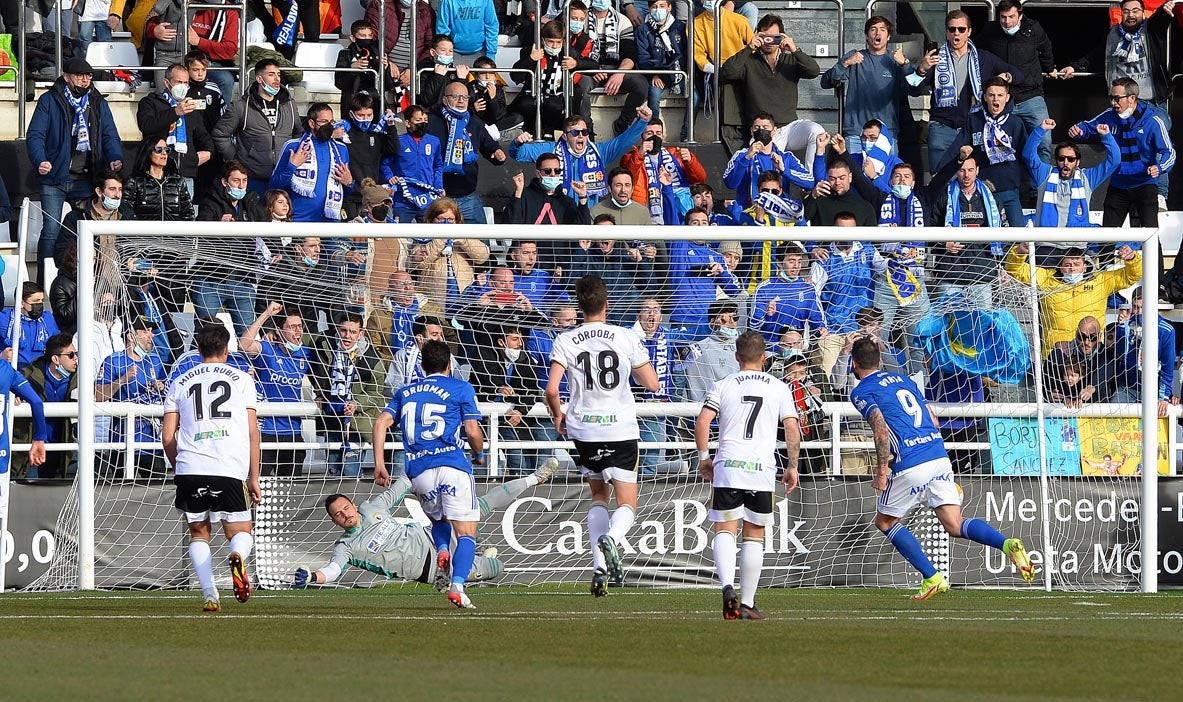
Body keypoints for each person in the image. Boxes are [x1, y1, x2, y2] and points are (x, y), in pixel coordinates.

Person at [848, 336, 1034, 600]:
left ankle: (932, 577)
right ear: (879, 360)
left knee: (885, 521)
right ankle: (1007, 544)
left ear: (854, 363)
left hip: (913, 461)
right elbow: (931, 418)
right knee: (954, 524)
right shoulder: (905, 380)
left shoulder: (861, 392)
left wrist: (881, 471)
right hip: (937, 452)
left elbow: (880, 429)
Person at [545, 275, 659, 596]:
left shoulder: (566, 340)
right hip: (620, 427)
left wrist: (558, 414)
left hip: (584, 428)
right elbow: (652, 384)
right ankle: (613, 539)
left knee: (598, 496)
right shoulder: (624, 337)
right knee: (627, 503)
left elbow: (552, 389)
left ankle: (598, 568)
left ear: (579, 306)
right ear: (607, 304)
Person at [292, 461, 559, 591]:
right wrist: (313, 577)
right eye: (338, 515)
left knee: (478, 506)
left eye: (346, 508)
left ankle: (534, 478)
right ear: (334, 521)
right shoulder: (346, 546)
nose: (345, 515)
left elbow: (403, 483)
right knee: (496, 568)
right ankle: (479, 559)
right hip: (431, 571)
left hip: (435, 537)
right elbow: (333, 570)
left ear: (352, 503)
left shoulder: (373, 508)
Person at [372, 340, 485, 608]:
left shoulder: (405, 392)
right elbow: (471, 430)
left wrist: (380, 464)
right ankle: (457, 586)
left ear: (422, 366)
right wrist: (479, 454)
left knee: (439, 522)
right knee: (467, 533)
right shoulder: (461, 387)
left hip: (419, 472)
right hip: (452, 466)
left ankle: (443, 550)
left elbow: (380, 423)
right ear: (449, 365)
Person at [695, 331, 799, 619]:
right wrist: (792, 465)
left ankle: (728, 586)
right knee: (754, 534)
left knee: (725, 529)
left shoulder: (724, 384)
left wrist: (705, 458)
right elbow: (791, 427)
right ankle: (748, 603)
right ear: (764, 357)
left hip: (728, 465)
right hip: (760, 468)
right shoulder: (779, 387)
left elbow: (703, 421)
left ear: (736, 356)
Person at [163, 324, 261, 613]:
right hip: (228, 467)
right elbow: (252, 431)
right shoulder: (242, 380)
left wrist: (179, 467)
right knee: (240, 530)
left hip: (190, 466)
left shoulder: (179, 381)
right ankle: (237, 556)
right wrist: (253, 477)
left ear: (198, 349)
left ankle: (209, 594)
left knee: (198, 532)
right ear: (227, 349)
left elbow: (168, 436)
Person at [1066, 0, 1177, 208]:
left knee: (1161, 134)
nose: (1131, 15)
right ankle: (1125, 190)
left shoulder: (1151, 29)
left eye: (1135, 11)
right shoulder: (1112, 34)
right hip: (1122, 100)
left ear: (1143, 13)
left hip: (1149, 100)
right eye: (1126, 11)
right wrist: (1075, 67)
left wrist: (1165, 10)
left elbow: (1161, 21)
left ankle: (1159, 194)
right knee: (1118, 139)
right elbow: (1097, 55)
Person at [26, 57, 123, 284]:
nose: (85, 79)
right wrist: (40, 160)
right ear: (66, 75)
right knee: (51, 230)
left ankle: (90, 281)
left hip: (87, 179)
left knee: (91, 228)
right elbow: (35, 135)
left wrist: (116, 157)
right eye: (80, 75)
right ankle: (45, 283)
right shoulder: (49, 100)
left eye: (88, 75)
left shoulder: (98, 102)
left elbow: (110, 134)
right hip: (54, 178)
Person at [908, 10, 1022, 173]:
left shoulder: (983, 58)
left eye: (961, 29)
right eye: (952, 29)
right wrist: (922, 69)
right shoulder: (936, 58)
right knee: (939, 182)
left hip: (972, 127)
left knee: (972, 180)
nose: (956, 33)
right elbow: (914, 90)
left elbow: (1018, 74)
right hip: (941, 128)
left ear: (969, 31)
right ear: (946, 31)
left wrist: (1007, 76)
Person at [719, 13, 825, 167]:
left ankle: (811, 181)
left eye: (774, 37)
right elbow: (727, 72)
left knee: (817, 132)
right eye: (764, 36)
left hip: (789, 126)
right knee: (767, 168)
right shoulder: (749, 61)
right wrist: (749, 48)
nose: (769, 41)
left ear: (781, 37)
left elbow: (814, 71)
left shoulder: (790, 60)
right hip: (764, 130)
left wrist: (795, 49)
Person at [1069, 77, 1174, 231]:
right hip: (1118, 185)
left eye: (1117, 98)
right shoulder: (1109, 115)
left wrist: (1159, 167)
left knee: (1149, 238)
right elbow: (1088, 126)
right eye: (1111, 98)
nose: (1113, 103)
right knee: (1107, 238)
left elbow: (1169, 152)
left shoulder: (1153, 121)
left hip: (1144, 185)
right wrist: (1078, 130)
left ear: (1132, 98)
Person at [1004, 244, 1141, 355]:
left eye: (1076, 264)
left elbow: (1131, 276)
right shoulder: (1047, 279)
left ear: (1084, 267)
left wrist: (1132, 258)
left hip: (1089, 350)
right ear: (1061, 268)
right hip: (1055, 352)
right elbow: (1016, 271)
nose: (1072, 269)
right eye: (1068, 265)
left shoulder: (1101, 281)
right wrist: (1019, 253)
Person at [509, 107, 651, 209]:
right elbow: (519, 154)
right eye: (576, 132)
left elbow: (623, 141)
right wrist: (517, 143)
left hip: (588, 216)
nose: (581, 136)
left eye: (584, 131)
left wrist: (642, 122)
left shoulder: (598, 151)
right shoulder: (551, 150)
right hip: (560, 212)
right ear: (565, 136)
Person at [976, 0, 1057, 162]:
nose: (1007, 21)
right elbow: (976, 52)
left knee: (1045, 142)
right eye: (1003, 17)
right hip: (1003, 98)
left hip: (1031, 95)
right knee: (998, 144)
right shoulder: (990, 30)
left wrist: (1049, 69)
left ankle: (1044, 184)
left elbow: (1046, 48)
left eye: (1011, 16)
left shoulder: (1034, 28)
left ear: (1020, 15)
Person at [945, 76, 1029, 227]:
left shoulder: (1016, 123)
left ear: (1007, 97)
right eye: (991, 95)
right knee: (985, 240)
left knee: (1019, 238)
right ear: (985, 97)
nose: (995, 100)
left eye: (1000, 95)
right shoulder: (973, 120)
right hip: (981, 191)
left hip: (1009, 190)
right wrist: (940, 169)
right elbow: (955, 148)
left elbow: (1027, 156)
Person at [193, 160, 265, 335]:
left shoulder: (252, 201)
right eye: (236, 181)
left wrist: (277, 250)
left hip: (243, 280)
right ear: (225, 182)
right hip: (212, 280)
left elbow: (267, 227)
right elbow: (201, 226)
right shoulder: (210, 200)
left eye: (244, 181)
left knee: (248, 339)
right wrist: (218, 224)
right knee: (205, 336)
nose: (241, 185)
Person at [820, 15, 912, 152]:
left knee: (885, 173)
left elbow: (914, 87)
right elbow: (825, 82)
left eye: (882, 30)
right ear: (867, 36)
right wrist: (845, 63)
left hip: (886, 133)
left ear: (888, 37)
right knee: (856, 173)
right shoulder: (855, 56)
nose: (878, 33)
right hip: (857, 133)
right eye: (873, 29)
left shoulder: (895, 60)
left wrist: (904, 64)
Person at [212, 59, 304, 196]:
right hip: (254, 177)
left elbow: (298, 133)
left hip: (284, 175)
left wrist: (290, 156)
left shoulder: (289, 104)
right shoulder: (241, 106)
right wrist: (238, 160)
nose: (277, 79)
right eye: (271, 74)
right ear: (259, 78)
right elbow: (220, 134)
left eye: (278, 74)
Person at [239, 304, 310, 477]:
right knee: (260, 487)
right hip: (266, 432)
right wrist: (267, 314)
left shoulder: (307, 353)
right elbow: (243, 345)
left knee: (290, 492)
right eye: (292, 327)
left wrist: (322, 394)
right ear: (279, 331)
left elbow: (322, 374)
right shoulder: (268, 349)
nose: (297, 331)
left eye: (300, 326)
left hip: (293, 432)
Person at [308, 312, 382, 477]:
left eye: (353, 332)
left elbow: (376, 393)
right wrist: (319, 391)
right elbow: (306, 361)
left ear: (361, 333)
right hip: (331, 418)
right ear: (337, 329)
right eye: (343, 330)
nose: (347, 336)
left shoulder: (372, 359)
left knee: (350, 473)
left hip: (356, 424)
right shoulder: (322, 342)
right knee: (333, 472)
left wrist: (357, 403)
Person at [425, 81, 509, 224]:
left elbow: (489, 146)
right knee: (436, 244)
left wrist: (497, 152)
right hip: (438, 195)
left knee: (482, 244)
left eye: (465, 97)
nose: (461, 101)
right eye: (456, 96)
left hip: (467, 195)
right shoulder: (431, 122)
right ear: (445, 99)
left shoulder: (474, 121)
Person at [95, 316, 168, 480]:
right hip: (121, 442)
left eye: (151, 331)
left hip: (151, 444)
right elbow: (98, 396)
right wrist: (121, 380)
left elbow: (169, 395)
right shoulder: (113, 361)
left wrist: (162, 387)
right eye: (145, 331)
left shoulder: (155, 361)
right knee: (120, 493)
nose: (151, 335)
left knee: (158, 491)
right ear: (130, 336)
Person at [136, 63, 215, 198]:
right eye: (179, 82)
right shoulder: (150, 102)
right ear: (167, 83)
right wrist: (175, 112)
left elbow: (202, 135)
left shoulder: (190, 107)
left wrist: (208, 152)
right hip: (157, 173)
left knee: (185, 216)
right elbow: (146, 125)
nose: (183, 86)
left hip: (185, 174)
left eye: (186, 82)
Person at [1023, 119, 1119, 228]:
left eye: (1071, 159)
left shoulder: (1087, 178)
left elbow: (1114, 161)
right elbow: (1028, 154)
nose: (1066, 162)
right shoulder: (1045, 174)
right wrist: (1041, 130)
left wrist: (1106, 136)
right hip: (1048, 242)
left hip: (1077, 243)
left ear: (1078, 162)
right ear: (1056, 160)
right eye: (1061, 158)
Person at [270, 103, 355, 223]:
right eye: (324, 121)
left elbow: (346, 190)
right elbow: (274, 186)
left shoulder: (341, 149)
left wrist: (349, 183)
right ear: (312, 123)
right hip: (299, 221)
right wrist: (291, 166)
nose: (329, 126)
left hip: (331, 222)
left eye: (331, 122)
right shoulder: (293, 146)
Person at [13, 334, 77, 478]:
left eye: (76, 354)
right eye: (71, 355)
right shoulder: (28, 375)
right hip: (31, 447)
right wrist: (14, 395)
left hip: (63, 447)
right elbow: (7, 388)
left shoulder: (80, 379)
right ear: (55, 359)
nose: (76, 359)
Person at [620, 118, 707, 222]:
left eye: (658, 133)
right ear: (641, 137)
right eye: (649, 133)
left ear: (663, 137)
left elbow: (700, 179)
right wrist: (640, 154)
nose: (654, 136)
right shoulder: (631, 157)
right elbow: (628, 179)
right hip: (648, 215)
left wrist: (690, 161)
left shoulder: (675, 154)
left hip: (678, 214)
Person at [1113, 286, 1177, 415]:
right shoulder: (1127, 325)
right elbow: (1119, 352)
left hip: (1154, 391)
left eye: (1144, 307)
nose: (1140, 311)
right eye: (1136, 307)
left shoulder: (1165, 330)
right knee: (1112, 415)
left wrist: (1163, 397)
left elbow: (1167, 366)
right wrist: (1121, 328)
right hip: (1128, 388)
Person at [748, 242, 825, 345]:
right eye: (791, 262)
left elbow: (817, 318)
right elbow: (754, 326)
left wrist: (821, 328)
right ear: (779, 263)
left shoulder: (808, 288)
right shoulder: (764, 288)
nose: (796, 266)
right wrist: (768, 315)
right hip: (770, 351)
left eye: (799, 261)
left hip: (796, 350)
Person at [384, 104, 445, 224]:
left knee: (428, 239)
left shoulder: (434, 141)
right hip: (403, 200)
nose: (422, 123)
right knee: (400, 238)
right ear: (408, 123)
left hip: (427, 200)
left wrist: (438, 186)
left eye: (424, 120)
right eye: (418, 120)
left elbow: (438, 166)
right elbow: (385, 164)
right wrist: (390, 177)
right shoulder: (399, 141)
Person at [635, 0, 688, 135]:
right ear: (649, 8)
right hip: (656, 74)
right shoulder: (643, 30)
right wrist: (656, 74)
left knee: (695, 96)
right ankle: (654, 133)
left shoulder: (680, 28)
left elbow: (685, 55)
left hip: (679, 73)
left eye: (662, 6)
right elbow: (643, 58)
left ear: (670, 7)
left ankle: (686, 133)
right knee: (654, 92)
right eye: (654, 7)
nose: (658, 10)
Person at [1043, 316, 1119, 407]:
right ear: (1075, 335)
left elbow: (1104, 373)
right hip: (1063, 409)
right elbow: (1045, 380)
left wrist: (1091, 388)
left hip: (1096, 408)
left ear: (1099, 337)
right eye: (1081, 337)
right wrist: (1050, 395)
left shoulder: (1107, 355)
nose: (1086, 342)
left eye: (1092, 337)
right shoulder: (1061, 353)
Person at [506, 154, 593, 227]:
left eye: (557, 170)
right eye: (547, 171)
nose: (553, 174)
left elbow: (583, 230)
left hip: (558, 247)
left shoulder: (566, 202)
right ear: (538, 174)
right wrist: (518, 194)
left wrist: (582, 197)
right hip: (528, 247)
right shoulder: (524, 195)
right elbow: (511, 224)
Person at [334, 20, 398, 119]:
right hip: (353, 101)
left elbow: (388, 86)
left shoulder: (378, 54)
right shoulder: (345, 54)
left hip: (374, 102)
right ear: (353, 38)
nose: (367, 39)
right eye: (363, 36)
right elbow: (339, 83)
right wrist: (352, 68)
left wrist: (385, 69)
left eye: (370, 35)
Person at [683, 299, 741, 402]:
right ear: (713, 321)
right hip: (701, 408)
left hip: (732, 407)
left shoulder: (742, 344)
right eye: (725, 319)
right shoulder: (697, 344)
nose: (732, 323)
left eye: (735, 318)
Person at [805, 149, 878, 227]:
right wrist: (812, 196)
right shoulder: (818, 201)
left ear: (850, 177)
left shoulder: (865, 207)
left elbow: (872, 237)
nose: (837, 183)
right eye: (832, 179)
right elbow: (800, 218)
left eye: (842, 178)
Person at [1, 282, 62, 369]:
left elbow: (59, 343)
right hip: (13, 370)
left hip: (41, 369)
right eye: (36, 301)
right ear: (21, 303)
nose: (40, 304)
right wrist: (1, 356)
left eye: (42, 300)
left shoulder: (47, 318)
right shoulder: (4, 318)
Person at [589, 167, 657, 226]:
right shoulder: (595, 211)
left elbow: (652, 240)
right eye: (618, 185)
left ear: (632, 189)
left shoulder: (643, 212)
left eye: (627, 185)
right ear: (609, 188)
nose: (623, 190)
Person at [437, 0, 498, 64]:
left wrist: (491, 53)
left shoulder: (486, 1)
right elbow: (442, 29)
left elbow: (492, 26)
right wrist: (443, 55)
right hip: (453, 53)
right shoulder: (446, 1)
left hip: (480, 52)